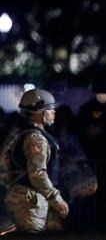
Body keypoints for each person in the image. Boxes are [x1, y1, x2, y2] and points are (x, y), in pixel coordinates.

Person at [3, 89, 69, 233]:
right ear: (38, 112)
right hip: (30, 203)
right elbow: (38, 174)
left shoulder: (22, 132)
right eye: (49, 109)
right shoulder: (35, 138)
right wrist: (57, 200)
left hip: (24, 198)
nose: (54, 112)